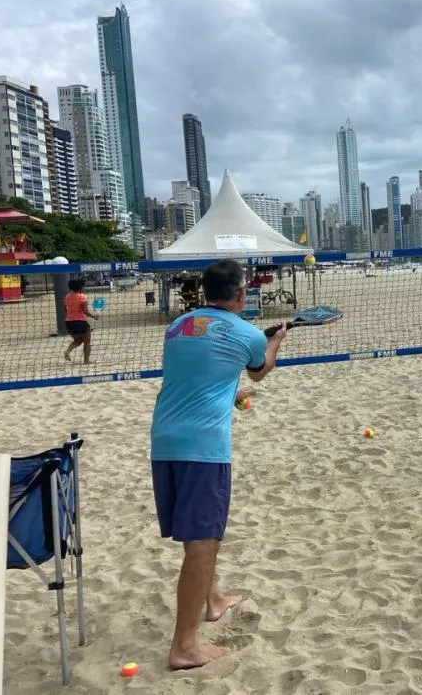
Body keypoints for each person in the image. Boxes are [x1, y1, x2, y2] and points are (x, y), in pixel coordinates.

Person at [149, 259, 286, 670]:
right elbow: (261, 371)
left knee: (205, 535)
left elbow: (201, 377)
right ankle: (184, 646)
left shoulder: (177, 328)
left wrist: (230, 395)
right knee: (202, 543)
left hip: (165, 441)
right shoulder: (248, 333)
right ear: (241, 294)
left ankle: (214, 600)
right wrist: (277, 340)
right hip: (203, 448)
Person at [63, 278, 99, 363]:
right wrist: (94, 316)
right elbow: (85, 311)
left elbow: (65, 309)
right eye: (84, 286)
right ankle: (86, 361)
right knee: (87, 342)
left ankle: (68, 351)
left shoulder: (67, 297)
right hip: (80, 322)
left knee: (77, 341)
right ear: (81, 287)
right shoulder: (83, 297)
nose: (84, 288)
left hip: (69, 322)